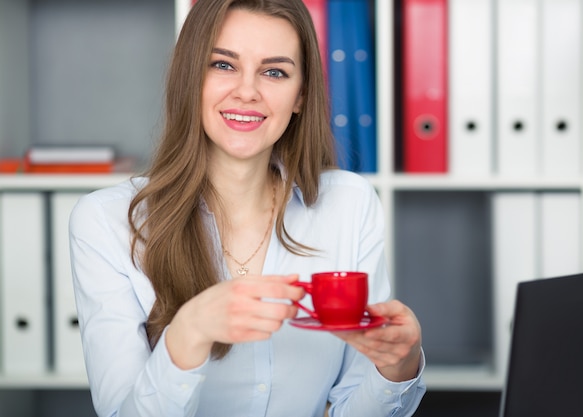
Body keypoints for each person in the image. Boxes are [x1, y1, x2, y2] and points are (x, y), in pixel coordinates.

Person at [69, 0, 426, 416]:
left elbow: (351, 406)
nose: (247, 91)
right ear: (190, 79)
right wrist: (188, 334)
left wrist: (397, 367)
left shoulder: (350, 203)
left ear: (300, 95)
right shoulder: (106, 221)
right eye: (223, 65)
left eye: (274, 72)